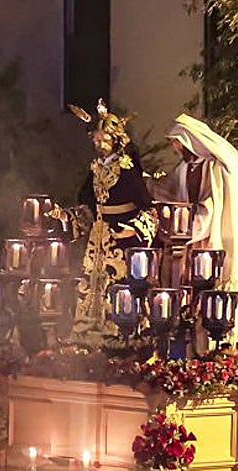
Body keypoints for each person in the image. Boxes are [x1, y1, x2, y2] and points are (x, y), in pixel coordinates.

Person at [157, 113, 238, 345]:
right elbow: (169, 193)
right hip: (187, 243)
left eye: (176, 141)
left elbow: (210, 207)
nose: (174, 147)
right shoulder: (183, 168)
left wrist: (184, 232)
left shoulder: (213, 168)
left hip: (209, 242)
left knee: (212, 298)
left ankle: (215, 349)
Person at [68, 99, 156, 340]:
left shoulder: (126, 167)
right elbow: (85, 197)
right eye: (95, 140)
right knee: (91, 283)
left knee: (120, 283)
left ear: (115, 139)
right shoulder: (96, 167)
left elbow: (147, 205)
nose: (99, 144)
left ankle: (122, 333)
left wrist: (133, 230)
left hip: (122, 236)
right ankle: (87, 332)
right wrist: (73, 216)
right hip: (99, 233)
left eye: (103, 139)